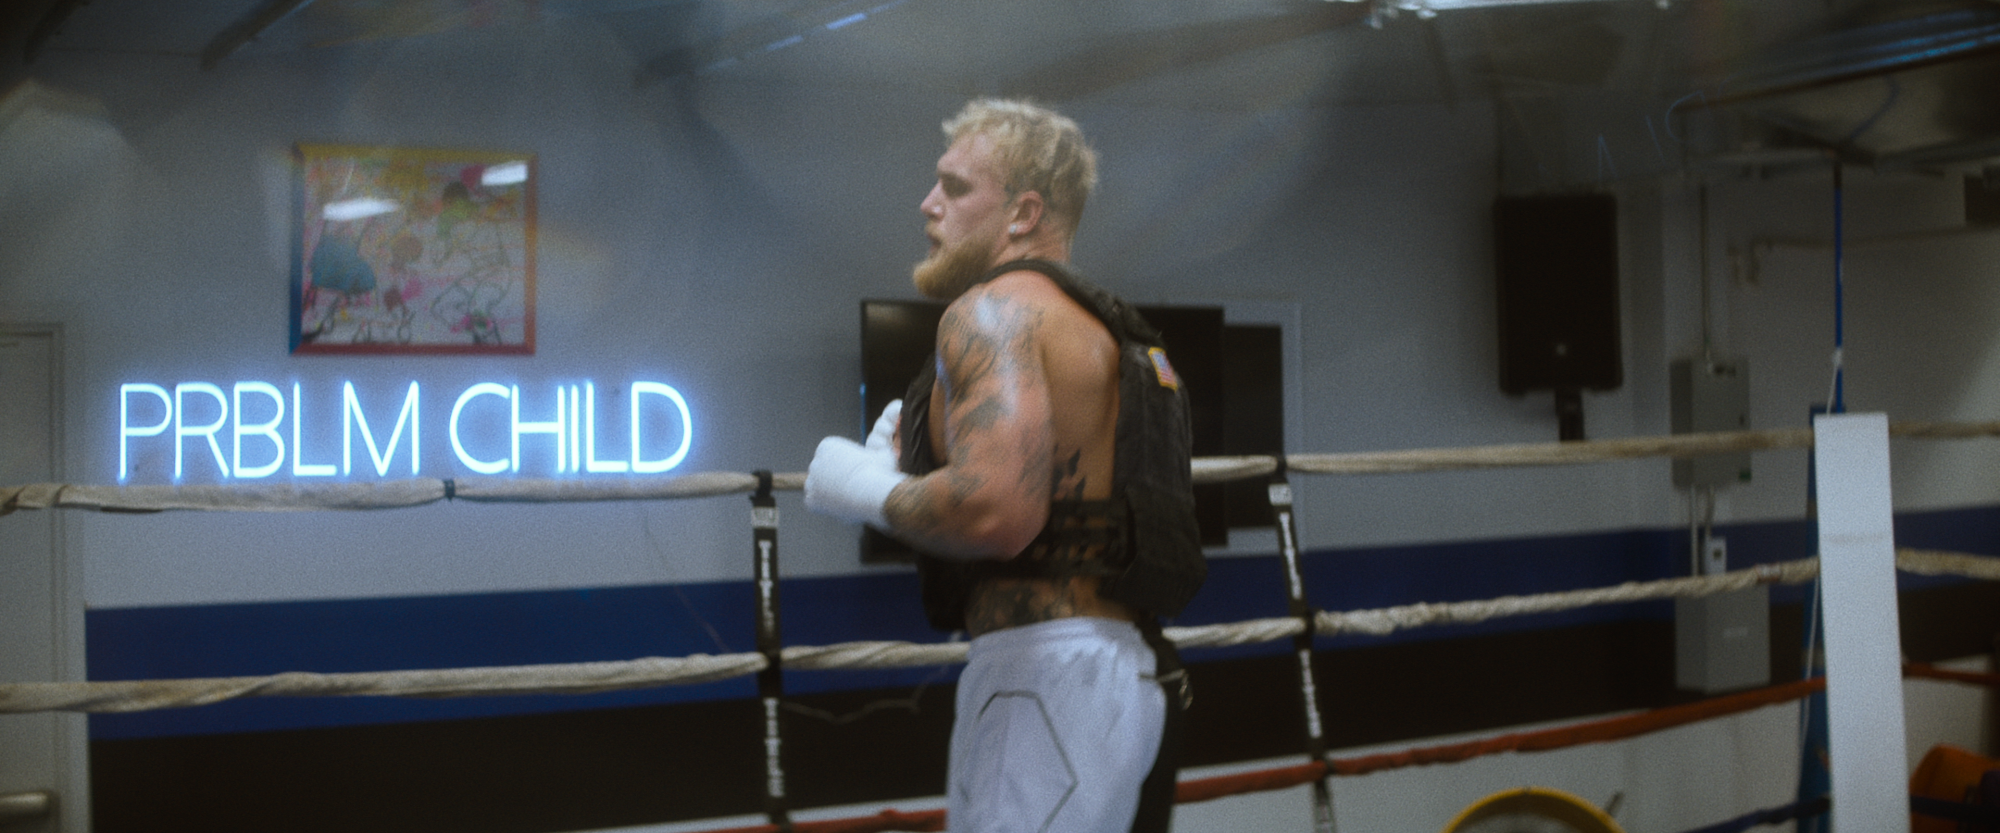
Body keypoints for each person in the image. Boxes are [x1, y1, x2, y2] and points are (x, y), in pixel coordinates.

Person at [805, 99, 1206, 833]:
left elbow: (998, 510)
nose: (928, 205)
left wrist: (860, 486)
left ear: (1023, 213)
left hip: (1041, 681)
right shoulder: (1106, 330)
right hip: (1128, 670)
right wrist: (918, 460)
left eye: (954, 187)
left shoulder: (990, 313)